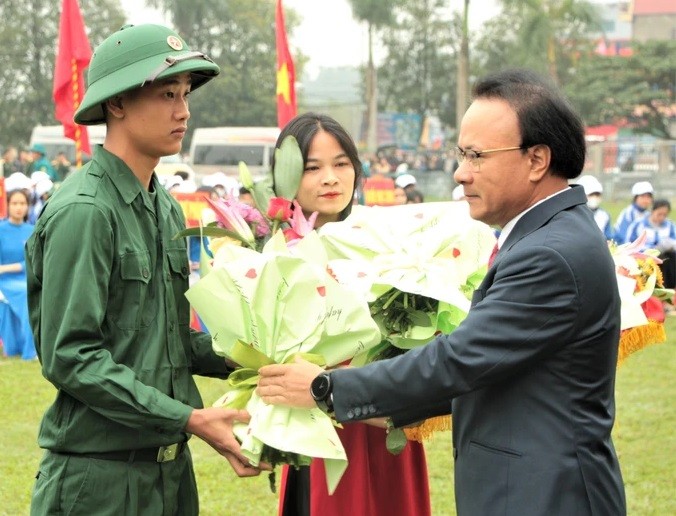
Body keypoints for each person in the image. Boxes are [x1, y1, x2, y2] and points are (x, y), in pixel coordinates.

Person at [258, 69, 626, 515]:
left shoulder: (551, 253)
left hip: (544, 496)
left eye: (476, 156)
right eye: (461, 154)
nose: (460, 173)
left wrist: (324, 388)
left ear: (537, 160)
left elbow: (458, 361)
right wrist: (382, 410)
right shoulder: (546, 236)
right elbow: (484, 370)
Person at [25, 24, 265, 516]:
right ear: (116, 104)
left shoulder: (164, 209)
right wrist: (191, 417)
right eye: (166, 94)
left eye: (184, 95)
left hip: (169, 473)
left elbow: (171, 340)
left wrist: (259, 359)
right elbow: (71, 356)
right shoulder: (86, 211)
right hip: (100, 482)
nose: (184, 111)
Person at [273, 112, 431, 516]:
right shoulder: (273, 256)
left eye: (341, 164)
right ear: (286, 175)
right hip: (316, 433)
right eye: (313, 167)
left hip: (382, 429)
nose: (330, 178)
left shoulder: (392, 248)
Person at [0, 189, 36, 360]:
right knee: (25, 295)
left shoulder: (33, 230)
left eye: (22, 203)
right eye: (15, 203)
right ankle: (23, 350)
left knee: (33, 292)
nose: (19, 207)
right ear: (8, 205)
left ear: (28, 206)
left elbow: (34, 260)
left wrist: (9, 267)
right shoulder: (1, 230)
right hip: (5, 282)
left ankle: (33, 348)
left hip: (26, 278)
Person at [626, 199, 676, 292]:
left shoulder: (670, 226)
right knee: (660, 258)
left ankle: (669, 289)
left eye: (664, 215)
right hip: (643, 258)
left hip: (666, 259)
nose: (661, 217)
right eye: (659, 214)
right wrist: (653, 249)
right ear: (652, 211)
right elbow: (629, 244)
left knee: (670, 256)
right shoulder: (638, 224)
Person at [575, 175, 613, 240]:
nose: (594, 197)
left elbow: (608, 238)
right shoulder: (573, 215)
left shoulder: (604, 216)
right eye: (591, 195)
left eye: (597, 195)